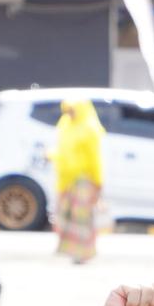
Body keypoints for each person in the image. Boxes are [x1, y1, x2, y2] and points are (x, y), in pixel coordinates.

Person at [51, 97, 106, 263]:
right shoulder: (65, 125)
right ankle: (72, 250)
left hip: (83, 180)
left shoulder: (89, 128)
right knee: (67, 217)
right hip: (67, 180)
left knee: (81, 219)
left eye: (72, 111)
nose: (70, 114)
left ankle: (84, 253)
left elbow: (95, 159)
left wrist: (98, 183)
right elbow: (62, 152)